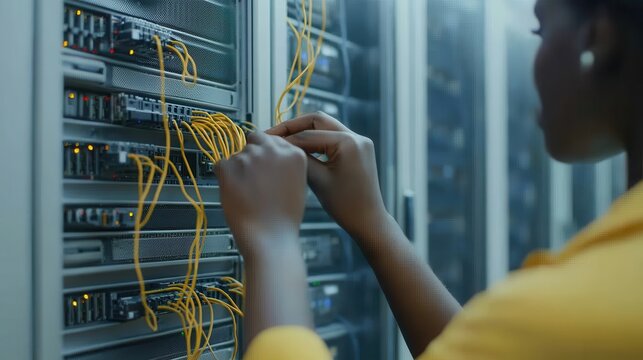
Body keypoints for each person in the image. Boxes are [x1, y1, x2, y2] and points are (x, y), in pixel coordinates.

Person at [216, 0, 643, 358]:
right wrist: (375, 223)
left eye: (541, 31)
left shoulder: (581, 316)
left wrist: (273, 241)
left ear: (597, 40)